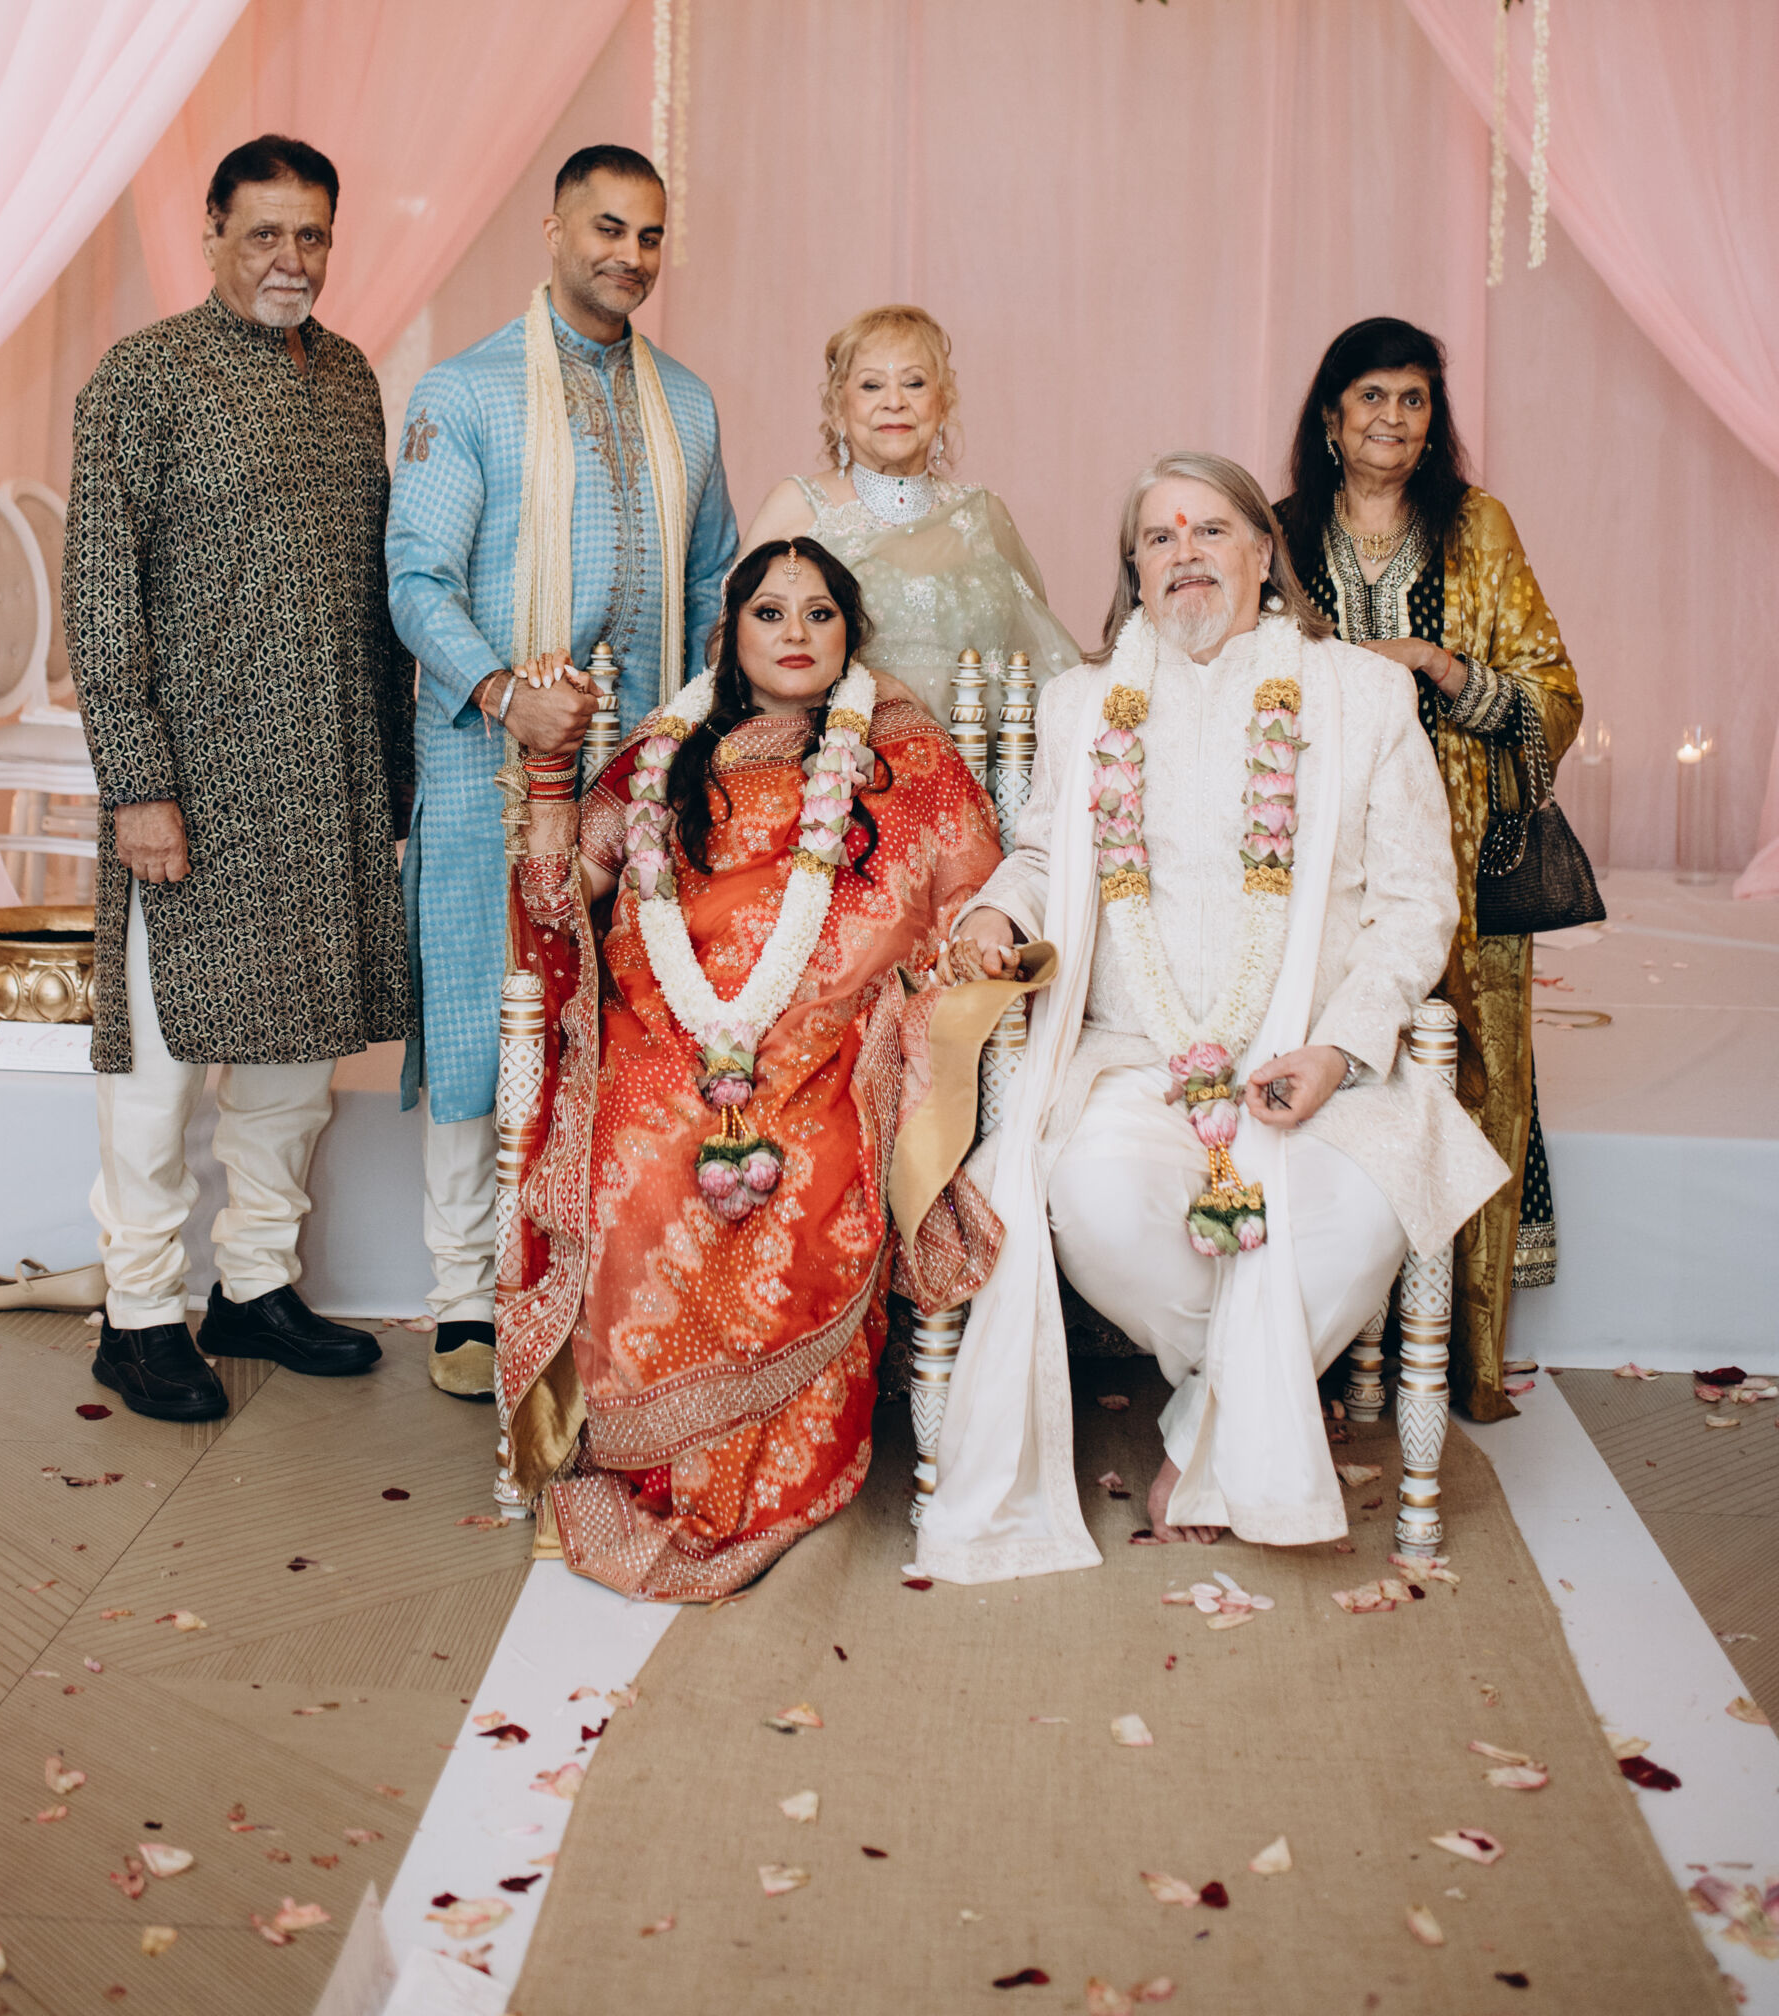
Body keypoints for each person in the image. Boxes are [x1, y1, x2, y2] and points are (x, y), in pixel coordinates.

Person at [915, 456, 1508, 1580]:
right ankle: (1256, 1411)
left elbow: (1417, 903)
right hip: (1132, 1058)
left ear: (1262, 554)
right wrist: (998, 911)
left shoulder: (1360, 696)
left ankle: (1206, 1432)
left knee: (1362, 1216)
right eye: (1158, 537)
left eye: (1210, 530)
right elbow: (1041, 854)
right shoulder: (1082, 704)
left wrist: (1339, 1048)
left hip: (1313, 1060)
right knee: (1095, 1202)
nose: (1184, 553)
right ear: (1133, 573)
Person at [498, 538, 1005, 1600]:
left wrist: (956, 956)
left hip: (825, 1033)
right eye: (770, 613)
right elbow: (567, 892)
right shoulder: (666, 751)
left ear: (850, 634)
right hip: (664, 1028)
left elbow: (970, 892)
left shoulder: (903, 754)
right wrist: (548, 779)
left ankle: (759, 1474)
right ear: (731, 634)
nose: (795, 634)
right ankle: (644, 1459)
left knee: (811, 1166)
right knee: (640, 1152)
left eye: (820, 614)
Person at [65, 135, 412, 1423]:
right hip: (192, 789)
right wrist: (137, 785)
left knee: (294, 1066)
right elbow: (101, 595)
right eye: (264, 232)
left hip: (324, 779)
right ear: (210, 231)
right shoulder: (143, 378)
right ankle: (139, 1311)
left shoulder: (351, 377)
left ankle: (256, 1285)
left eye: (311, 235)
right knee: (160, 1069)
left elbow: (375, 593)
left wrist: (390, 779)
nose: (290, 259)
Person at [385, 145, 738, 1402]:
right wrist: (503, 691)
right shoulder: (466, 391)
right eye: (606, 228)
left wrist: (692, 727)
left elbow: (714, 582)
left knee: (621, 1023)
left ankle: (587, 1279)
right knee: (484, 1011)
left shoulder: (687, 403)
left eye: (649, 235)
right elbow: (415, 579)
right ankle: (462, 1299)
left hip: (636, 781)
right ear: (552, 229)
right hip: (491, 762)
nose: (629, 256)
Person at [1276, 317, 1583, 1422]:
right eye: (1372, 397)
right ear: (1331, 415)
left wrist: (1439, 668)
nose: (1393, 419)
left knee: (1467, 1076)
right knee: (1324, 1066)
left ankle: (1454, 1354)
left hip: (1461, 856)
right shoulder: (1279, 536)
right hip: (1310, 863)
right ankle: (1306, 1349)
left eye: (1414, 400)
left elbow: (1553, 693)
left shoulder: (1476, 530)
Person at [742, 303, 1078, 727]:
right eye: (871, 385)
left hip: (978, 756)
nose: (895, 402)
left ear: (942, 402)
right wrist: (853, 682)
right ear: (839, 407)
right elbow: (729, 645)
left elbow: (1039, 656)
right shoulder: (798, 506)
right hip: (842, 754)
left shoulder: (983, 514)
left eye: (914, 383)